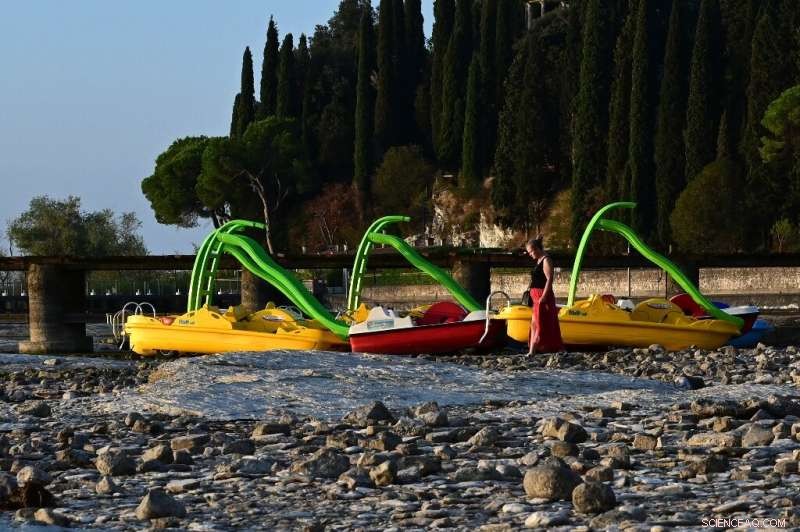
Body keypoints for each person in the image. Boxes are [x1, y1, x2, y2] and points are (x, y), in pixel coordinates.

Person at [525, 236, 564, 354]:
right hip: (536, 295)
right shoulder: (539, 259)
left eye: (531, 251)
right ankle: (532, 350)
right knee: (534, 323)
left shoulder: (546, 260)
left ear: (537, 249)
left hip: (542, 295)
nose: (530, 254)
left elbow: (549, 279)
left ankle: (535, 350)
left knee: (542, 323)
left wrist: (544, 296)